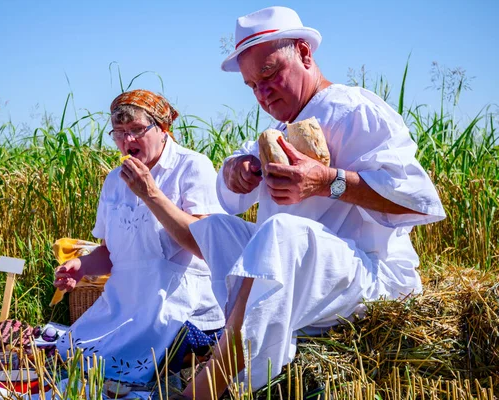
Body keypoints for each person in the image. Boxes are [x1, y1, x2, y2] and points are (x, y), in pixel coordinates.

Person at [184, 6, 446, 397]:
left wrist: (329, 183)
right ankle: (240, 341)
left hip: (370, 276)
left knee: (279, 232)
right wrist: (235, 172)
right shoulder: (277, 129)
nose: (262, 94)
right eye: (252, 85)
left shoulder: (356, 110)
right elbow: (228, 196)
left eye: (270, 75)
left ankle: (210, 384)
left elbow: (420, 203)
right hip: (306, 275)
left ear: (305, 54)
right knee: (216, 228)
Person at [53, 89, 225, 384]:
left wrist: (151, 193)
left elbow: (204, 246)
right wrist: (80, 267)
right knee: (69, 360)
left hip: (178, 307)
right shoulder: (113, 180)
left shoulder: (192, 167)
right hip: (124, 303)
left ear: (163, 129)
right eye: (118, 132)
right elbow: (110, 253)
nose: (126, 141)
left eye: (136, 130)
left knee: (133, 375)